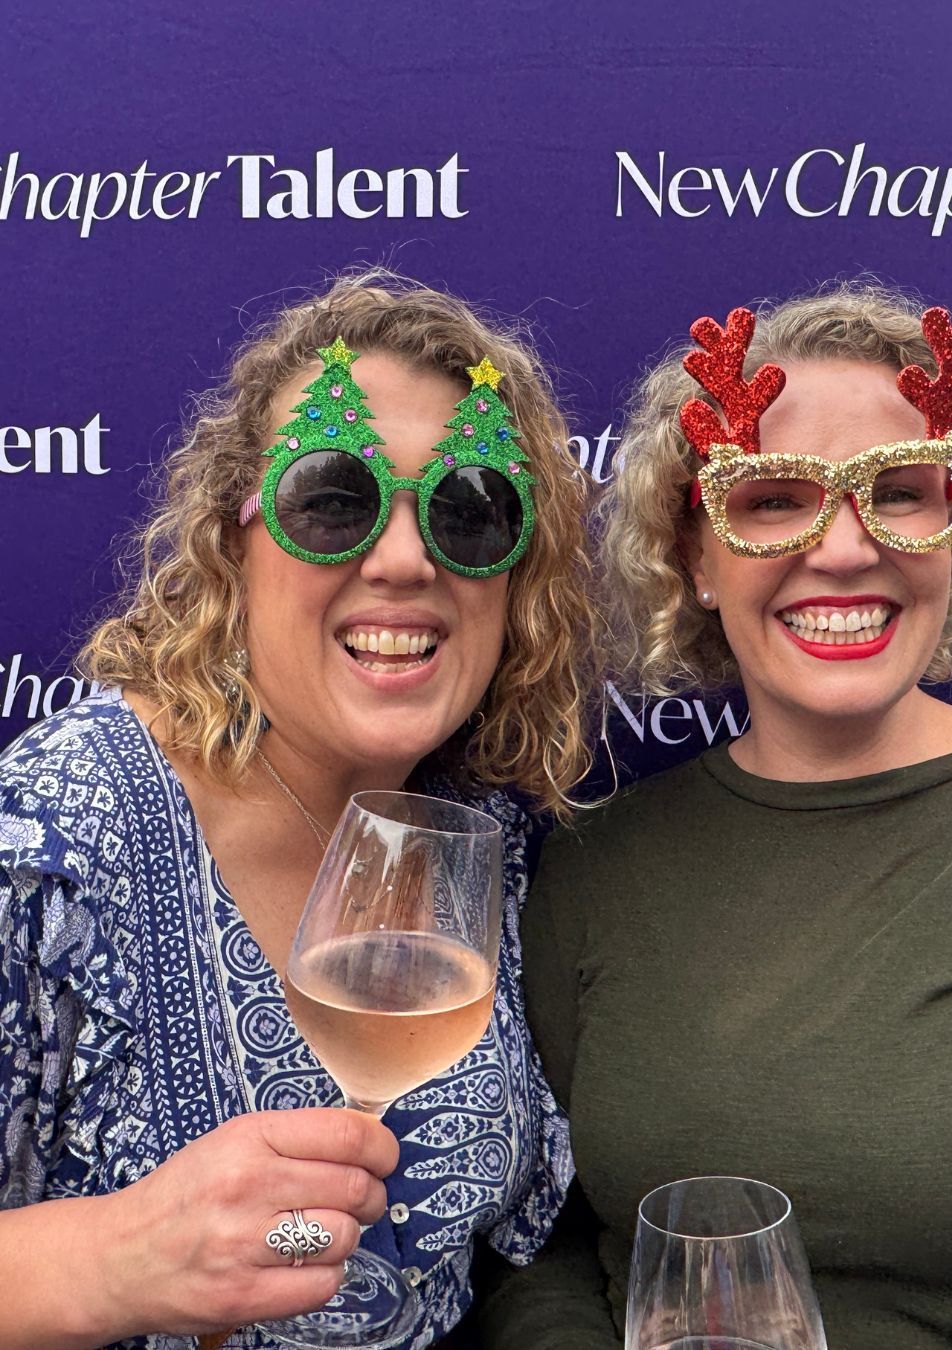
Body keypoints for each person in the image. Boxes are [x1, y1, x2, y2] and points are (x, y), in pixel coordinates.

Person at [0, 270, 596, 1348]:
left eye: (470, 513)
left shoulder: (484, 835)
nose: (405, 559)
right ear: (236, 541)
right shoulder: (49, 838)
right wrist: (109, 1258)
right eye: (333, 500)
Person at [475, 285, 952, 1349]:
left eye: (899, 492)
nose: (843, 550)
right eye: (772, 501)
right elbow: (546, 1244)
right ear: (695, 558)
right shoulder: (594, 863)